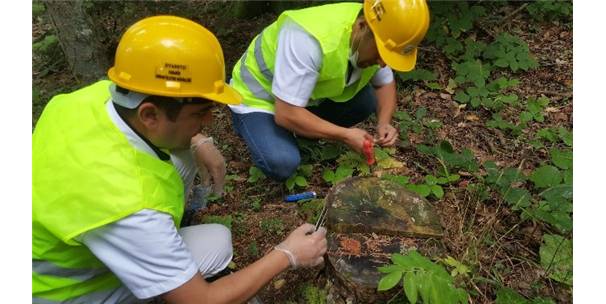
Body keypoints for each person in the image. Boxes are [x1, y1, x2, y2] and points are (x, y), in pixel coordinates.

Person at [32, 16, 327, 304]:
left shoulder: (91, 99)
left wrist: (198, 140)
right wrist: (288, 254)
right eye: (200, 113)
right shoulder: (130, 204)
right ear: (149, 115)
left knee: (185, 158)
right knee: (217, 243)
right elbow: (201, 298)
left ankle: (159, 253)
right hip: (59, 290)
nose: (210, 120)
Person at [228, 0, 430, 181]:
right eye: (380, 53)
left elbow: (384, 84)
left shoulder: (376, 31)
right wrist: (345, 135)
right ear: (361, 26)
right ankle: (265, 129)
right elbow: (285, 113)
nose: (383, 63)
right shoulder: (309, 39)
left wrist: (384, 122)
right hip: (258, 99)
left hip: (299, 100)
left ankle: (302, 130)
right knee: (281, 162)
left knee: (366, 101)